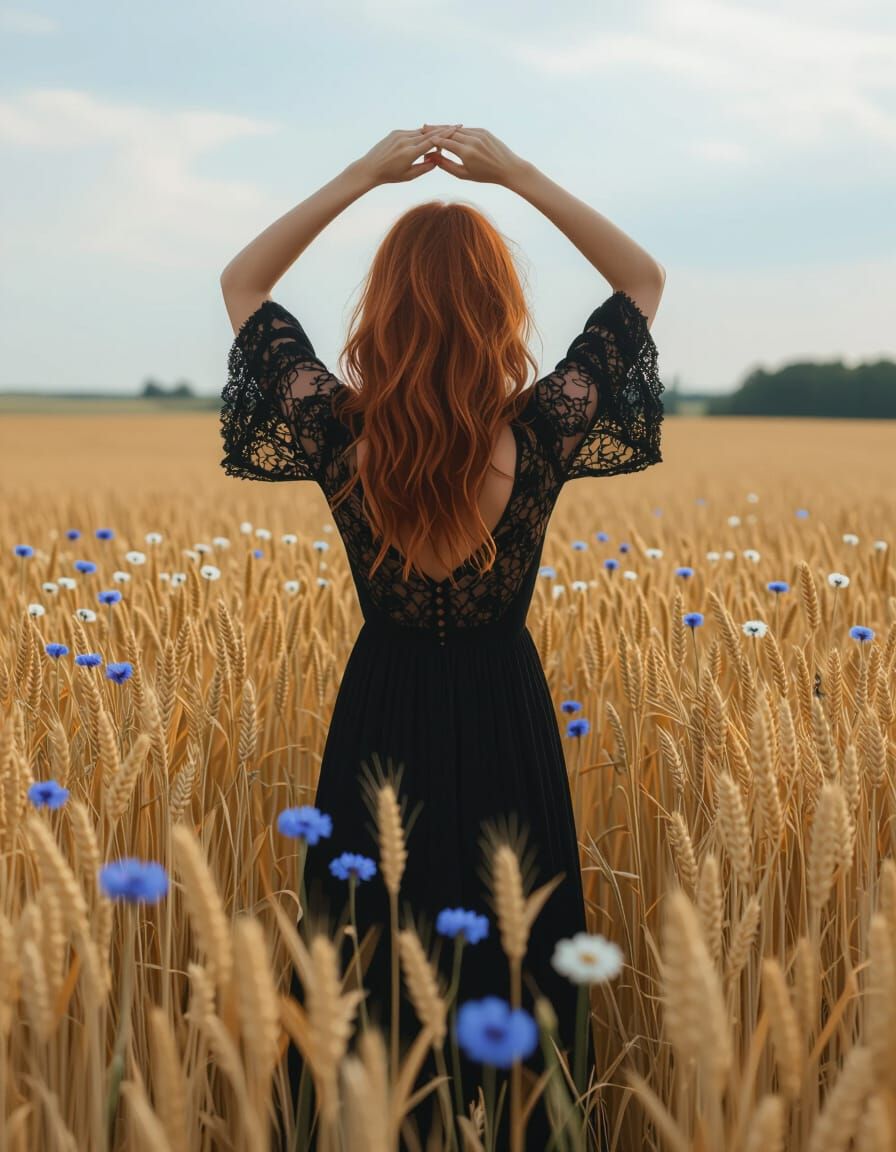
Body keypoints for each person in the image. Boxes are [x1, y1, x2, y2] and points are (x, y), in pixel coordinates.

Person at [219, 123, 666, 1151]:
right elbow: (639, 278)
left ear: (382, 312)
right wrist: (515, 175)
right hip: (504, 716)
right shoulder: (549, 426)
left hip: (377, 718)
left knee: (365, 962)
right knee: (521, 963)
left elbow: (244, 284)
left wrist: (361, 176)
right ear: (498, 311)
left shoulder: (333, 428)